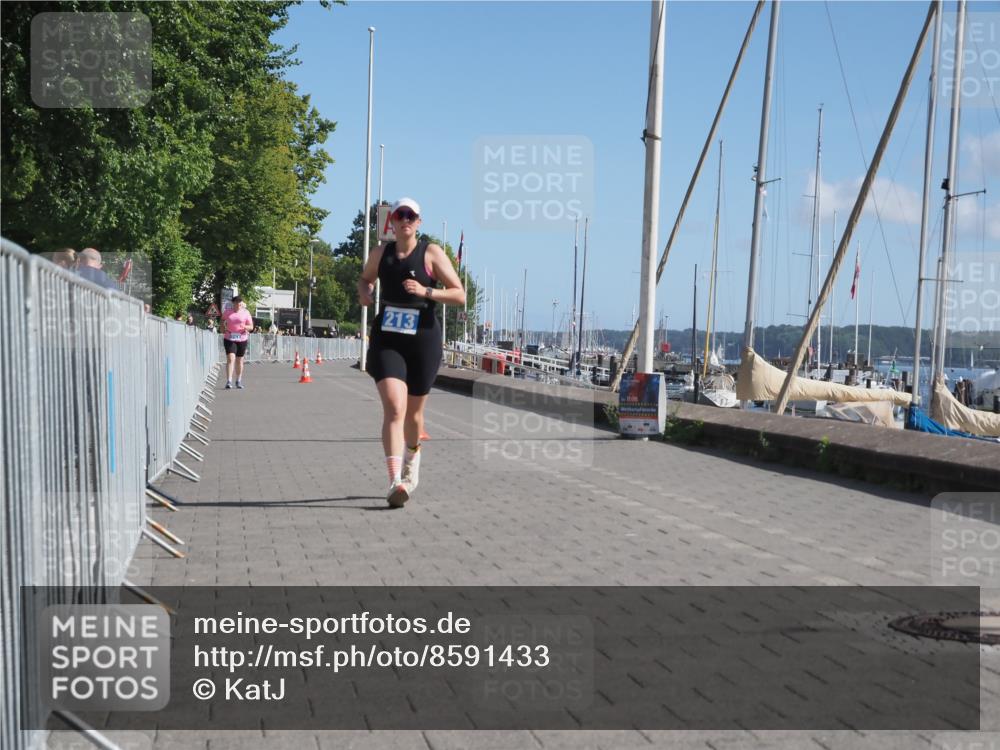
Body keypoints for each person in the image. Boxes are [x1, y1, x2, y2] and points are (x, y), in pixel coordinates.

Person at [357, 197, 465, 508]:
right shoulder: (381, 253)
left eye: (411, 215)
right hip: (388, 338)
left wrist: (426, 291)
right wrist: (366, 294)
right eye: (399, 215)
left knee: (414, 417)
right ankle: (394, 480)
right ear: (391, 221)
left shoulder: (430, 253)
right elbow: (365, 279)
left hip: (423, 340)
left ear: (418, 222)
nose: (405, 219)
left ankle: (412, 455)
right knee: (394, 408)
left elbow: (459, 294)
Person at [221, 296, 254, 389]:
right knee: (231, 359)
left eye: (240, 303)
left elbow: (251, 327)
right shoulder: (228, 312)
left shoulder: (246, 312)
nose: (239, 305)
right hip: (229, 337)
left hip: (242, 338)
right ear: (233, 303)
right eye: (237, 303)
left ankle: (238, 380)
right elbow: (223, 320)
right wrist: (222, 327)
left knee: (239, 360)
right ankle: (229, 381)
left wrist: (245, 327)